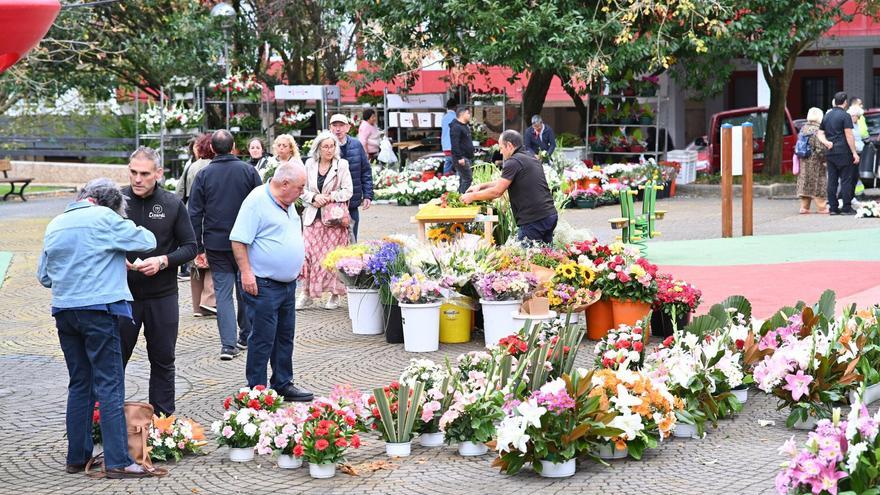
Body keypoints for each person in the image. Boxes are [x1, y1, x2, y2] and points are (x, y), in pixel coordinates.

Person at [38, 178, 160, 478]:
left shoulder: (56, 222)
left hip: (65, 311)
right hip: (98, 310)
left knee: (80, 384)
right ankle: (119, 461)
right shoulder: (105, 217)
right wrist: (118, 228)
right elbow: (147, 241)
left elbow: (44, 276)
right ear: (109, 203)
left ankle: (77, 457)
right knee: (109, 384)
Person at [119, 147, 197, 416]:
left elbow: (190, 247)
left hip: (162, 295)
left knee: (163, 360)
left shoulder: (172, 203)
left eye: (144, 174)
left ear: (158, 174)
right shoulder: (114, 202)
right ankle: (106, 425)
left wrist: (163, 261)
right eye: (133, 172)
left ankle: (162, 424)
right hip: (122, 296)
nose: (137, 179)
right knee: (114, 361)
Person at [230, 164, 314, 402]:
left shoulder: (288, 203)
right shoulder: (256, 201)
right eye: (300, 187)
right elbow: (238, 240)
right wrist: (246, 272)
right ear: (285, 184)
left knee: (285, 335)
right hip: (263, 283)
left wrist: (301, 260)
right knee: (263, 337)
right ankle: (256, 389)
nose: (302, 192)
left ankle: (282, 383)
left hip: (287, 284)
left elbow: (291, 233)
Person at [188, 130, 262, 360]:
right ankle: (245, 335)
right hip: (245, 240)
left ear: (212, 148)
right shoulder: (248, 171)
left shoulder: (204, 174)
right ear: (233, 148)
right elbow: (261, 204)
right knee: (245, 287)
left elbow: (194, 212)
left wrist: (198, 246)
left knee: (222, 293)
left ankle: (228, 345)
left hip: (216, 241)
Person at [461, 130, 557, 243]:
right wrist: (480, 186)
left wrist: (472, 197)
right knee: (545, 255)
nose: (500, 152)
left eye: (501, 148)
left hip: (534, 219)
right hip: (549, 215)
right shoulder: (529, 157)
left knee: (524, 257)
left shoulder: (513, 161)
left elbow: (497, 192)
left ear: (510, 145)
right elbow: (504, 181)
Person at [297, 131, 353, 310]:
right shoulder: (309, 164)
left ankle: (335, 294)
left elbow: (348, 190)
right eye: (325, 147)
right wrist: (313, 197)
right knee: (309, 255)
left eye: (332, 146)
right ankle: (306, 293)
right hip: (313, 217)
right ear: (318, 149)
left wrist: (329, 197)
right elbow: (301, 189)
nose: (329, 150)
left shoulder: (342, 165)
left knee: (332, 256)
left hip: (333, 219)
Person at [329, 113, 373, 240]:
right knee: (332, 240)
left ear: (348, 127)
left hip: (352, 202)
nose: (338, 129)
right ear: (330, 127)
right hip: (331, 202)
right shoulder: (325, 146)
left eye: (341, 125)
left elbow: (365, 171)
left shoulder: (356, 145)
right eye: (335, 125)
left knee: (352, 238)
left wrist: (368, 195)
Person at [817, 92, 860, 215]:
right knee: (846, 180)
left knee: (832, 180)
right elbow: (849, 135)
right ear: (845, 102)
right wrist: (854, 153)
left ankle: (833, 208)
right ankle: (846, 208)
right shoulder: (845, 116)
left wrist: (827, 142)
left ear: (834, 101)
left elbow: (820, 133)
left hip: (830, 153)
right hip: (844, 152)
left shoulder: (827, 115)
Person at [796, 108, 829, 214]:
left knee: (805, 182)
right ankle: (822, 207)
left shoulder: (803, 128)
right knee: (819, 183)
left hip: (804, 159)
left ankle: (804, 207)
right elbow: (820, 148)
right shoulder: (817, 130)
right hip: (815, 161)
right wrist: (825, 159)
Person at [449, 105, 475, 193]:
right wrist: (460, 158)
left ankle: (460, 198)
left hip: (466, 157)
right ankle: (462, 198)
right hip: (461, 158)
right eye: (468, 113)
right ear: (462, 114)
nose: (470, 115)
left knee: (463, 179)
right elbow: (454, 144)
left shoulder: (464, 126)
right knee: (468, 179)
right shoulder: (456, 127)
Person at [440, 98, 458, 175]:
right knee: (460, 169)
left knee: (447, 169)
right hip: (454, 148)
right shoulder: (456, 118)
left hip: (445, 148)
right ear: (455, 107)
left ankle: (445, 182)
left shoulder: (444, 118)